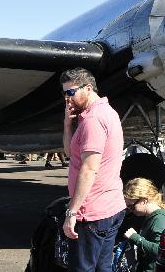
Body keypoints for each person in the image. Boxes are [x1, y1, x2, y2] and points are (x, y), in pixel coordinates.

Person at [61, 67, 125, 272]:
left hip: (92, 213)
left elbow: (89, 169)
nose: (67, 98)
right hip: (110, 207)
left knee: (83, 268)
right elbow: (71, 154)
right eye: (64, 93)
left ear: (88, 88)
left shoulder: (93, 120)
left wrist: (72, 212)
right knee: (103, 267)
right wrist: (67, 124)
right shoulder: (105, 112)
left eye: (70, 92)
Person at [123, 178, 165, 272]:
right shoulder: (152, 216)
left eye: (131, 206)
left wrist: (136, 239)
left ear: (144, 200)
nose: (130, 210)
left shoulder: (160, 220)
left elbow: (161, 251)